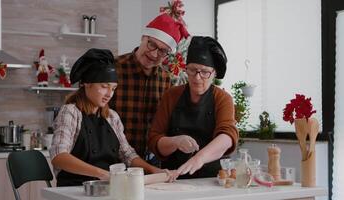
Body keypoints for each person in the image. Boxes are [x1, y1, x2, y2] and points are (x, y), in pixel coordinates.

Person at [49, 48, 172, 186]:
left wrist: (153, 170)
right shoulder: (71, 112)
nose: (109, 94)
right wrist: (102, 174)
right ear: (86, 84)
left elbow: (127, 154)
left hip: (107, 189)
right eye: (104, 86)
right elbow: (59, 156)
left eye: (113, 88)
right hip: (74, 189)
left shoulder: (112, 117)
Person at [148, 36, 239, 179]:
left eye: (204, 72)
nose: (197, 77)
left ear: (214, 73)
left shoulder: (222, 98)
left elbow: (227, 137)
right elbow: (154, 140)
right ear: (186, 69)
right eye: (192, 70)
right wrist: (175, 142)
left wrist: (199, 158)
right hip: (174, 177)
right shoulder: (171, 96)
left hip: (212, 179)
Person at [110, 13, 189, 160]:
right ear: (143, 38)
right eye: (151, 44)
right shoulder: (113, 68)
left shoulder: (167, 80)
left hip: (151, 162)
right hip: (112, 159)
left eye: (163, 51)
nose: (154, 54)